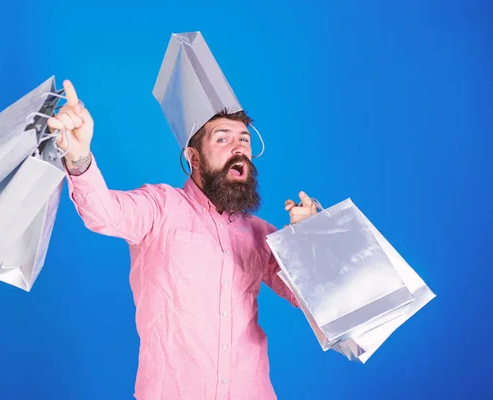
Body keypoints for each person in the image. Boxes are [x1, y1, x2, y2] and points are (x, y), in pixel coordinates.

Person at [48, 80, 318, 400]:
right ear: (194, 156)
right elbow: (104, 213)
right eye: (223, 138)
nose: (239, 148)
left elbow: (315, 299)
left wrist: (313, 238)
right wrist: (79, 158)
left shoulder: (261, 234)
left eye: (244, 140)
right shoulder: (160, 208)